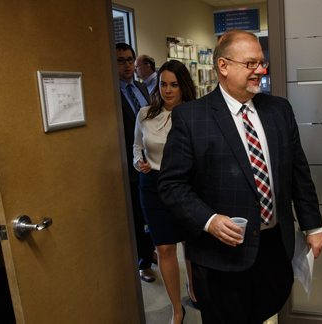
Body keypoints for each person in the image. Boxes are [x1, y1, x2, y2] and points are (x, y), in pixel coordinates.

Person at [158, 30, 322, 324]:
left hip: (274, 244)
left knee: (267, 309)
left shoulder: (279, 110)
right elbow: (172, 186)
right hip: (221, 255)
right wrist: (209, 220)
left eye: (262, 63)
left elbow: (298, 171)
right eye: (251, 64)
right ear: (223, 66)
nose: (260, 71)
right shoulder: (191, 118)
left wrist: (313, 226)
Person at [133, 60, 198, 324]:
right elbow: (137, 146)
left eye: (174, 85)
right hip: (153, 185)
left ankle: (193, 289)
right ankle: (176, 309)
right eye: (163, 84)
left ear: (184, 87)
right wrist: (139, 162)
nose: (168, 90)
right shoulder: (145, 113)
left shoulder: (195, 114)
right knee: (164, 248)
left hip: (186, 184)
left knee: (190, 244)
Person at [116, 42, 156, 283]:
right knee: (137, 215)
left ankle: (148, 251)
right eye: (121, 60)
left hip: (150, 161)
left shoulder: (141, 88)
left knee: (151, 212)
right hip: (128, 165)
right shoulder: (110, 91)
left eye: (130, 59)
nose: (127, 64)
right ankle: (143, 264)